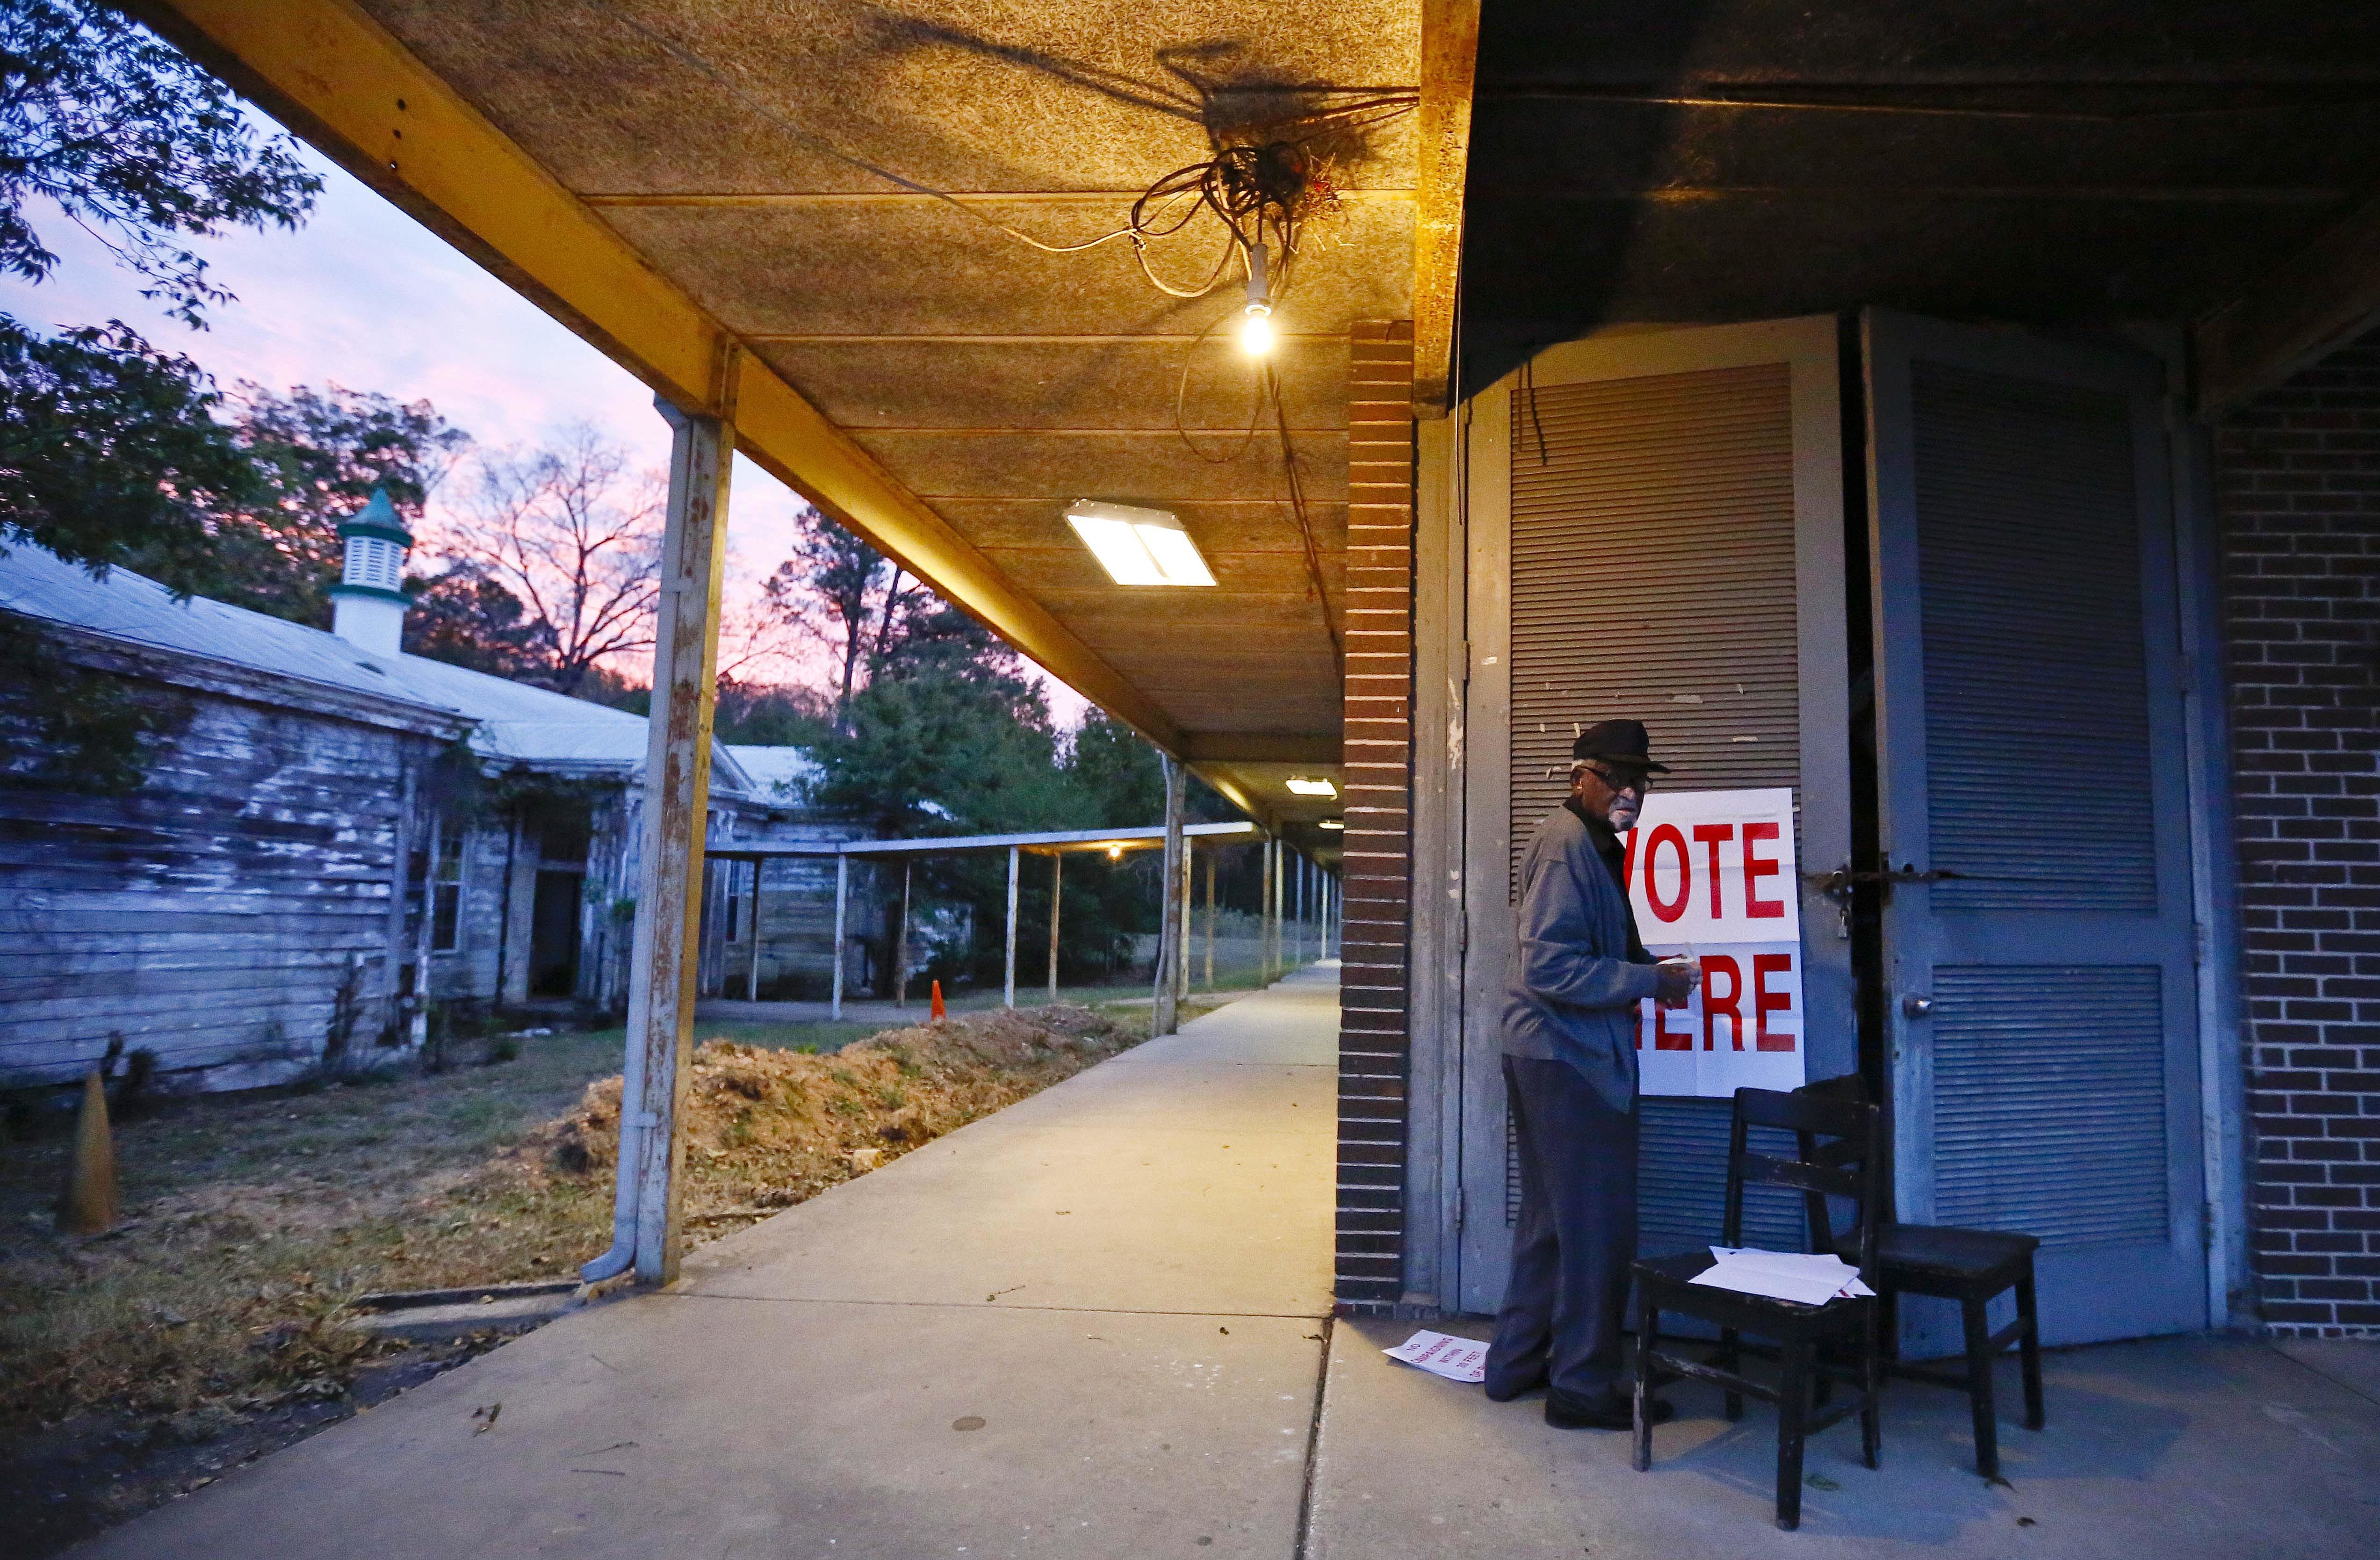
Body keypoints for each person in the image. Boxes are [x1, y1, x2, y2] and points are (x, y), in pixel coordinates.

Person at [1484, 718, 1698, 1430]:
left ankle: (1514, 1366)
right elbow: (1546, 966)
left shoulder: (1593, 843)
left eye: (1639, 779)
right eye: (1614, 776)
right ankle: (1580, 1388)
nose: (1629, 790)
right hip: (1566, 1055)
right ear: (1580, 776)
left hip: (1550, 1051)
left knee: (1552, 1220)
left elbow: (1575, 949)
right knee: (1596, 1226)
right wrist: (1649, 981)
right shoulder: (1567, 844)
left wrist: (1643, 967)